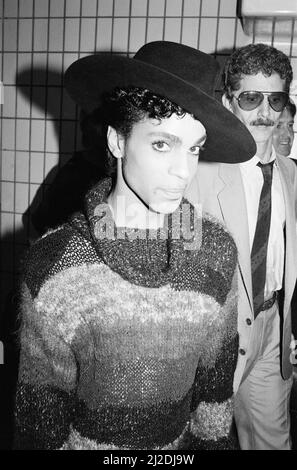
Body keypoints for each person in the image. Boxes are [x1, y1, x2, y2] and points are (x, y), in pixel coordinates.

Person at [13, 41, 255, 450]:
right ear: (118, 141)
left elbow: (214, 399)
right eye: (162, 143)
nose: (184, 170)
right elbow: (41, 418)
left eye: (194, 148)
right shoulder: (56, 265)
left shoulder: (215, 252)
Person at [187, 43, 297, 450]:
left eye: (276, 99)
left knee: (272, 440)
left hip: (272, 332)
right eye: (250, 98)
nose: (265, 112)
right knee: (201, 442)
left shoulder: (291, 175)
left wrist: (288, 328)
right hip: (216, 337)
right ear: (228, 101)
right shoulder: (198, 175)